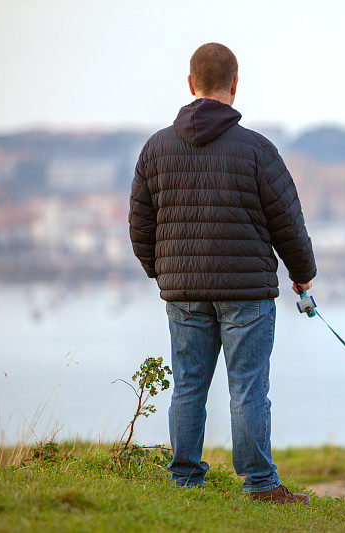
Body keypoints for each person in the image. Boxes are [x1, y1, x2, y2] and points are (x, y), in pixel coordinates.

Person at [128, 42, 316, 504]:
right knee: (248, 388)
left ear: (190, 85)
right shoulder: (257, 150)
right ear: (235, 85)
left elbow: (140, 224)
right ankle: (260, 484)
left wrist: (163, 272)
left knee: (188, 386)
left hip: (183, 292)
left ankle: (185, 479)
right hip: (246, 292)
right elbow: (287, 219)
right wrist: (303, 273)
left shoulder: (155, 149)